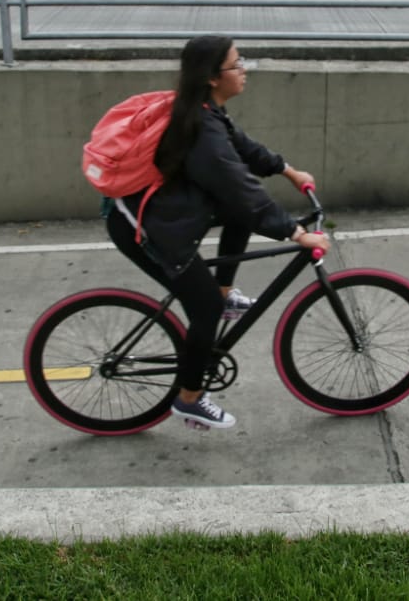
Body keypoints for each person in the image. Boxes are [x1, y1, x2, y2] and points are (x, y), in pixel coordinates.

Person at [105, 35, 331, 430]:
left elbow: (244, 149)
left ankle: (225, 293)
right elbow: (238, 188)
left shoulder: (207, 111)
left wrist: (289, 171)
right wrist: (296, 233)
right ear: (212, 77)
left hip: (167, 212)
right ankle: (190, 399)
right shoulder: (200, 130)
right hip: (143, 226)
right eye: (236, 63)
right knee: (203, 308)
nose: (244, 69)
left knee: (234, 226)